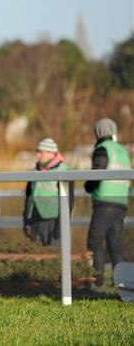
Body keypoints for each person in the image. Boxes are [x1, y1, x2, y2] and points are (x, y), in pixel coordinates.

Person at [84, 118, 131, 287]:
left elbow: (97, 174)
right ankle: (122, 284)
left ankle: (96, 282)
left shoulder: (102, 150)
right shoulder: (122, 151)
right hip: (121, 202)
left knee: (94, 241)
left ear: (99, 132)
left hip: (105, 201)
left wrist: (87, 185)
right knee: (115, 245)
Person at [23, 138, 75, 246]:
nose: (37, 155)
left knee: (53, 256)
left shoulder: (64, 171)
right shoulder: (34, 171)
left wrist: (61, 224)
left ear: (50, 153)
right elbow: (28, 196)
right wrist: (26, 220)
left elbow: (69, 200)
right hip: (34, 221)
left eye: (40, 152)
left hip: (52, 221)